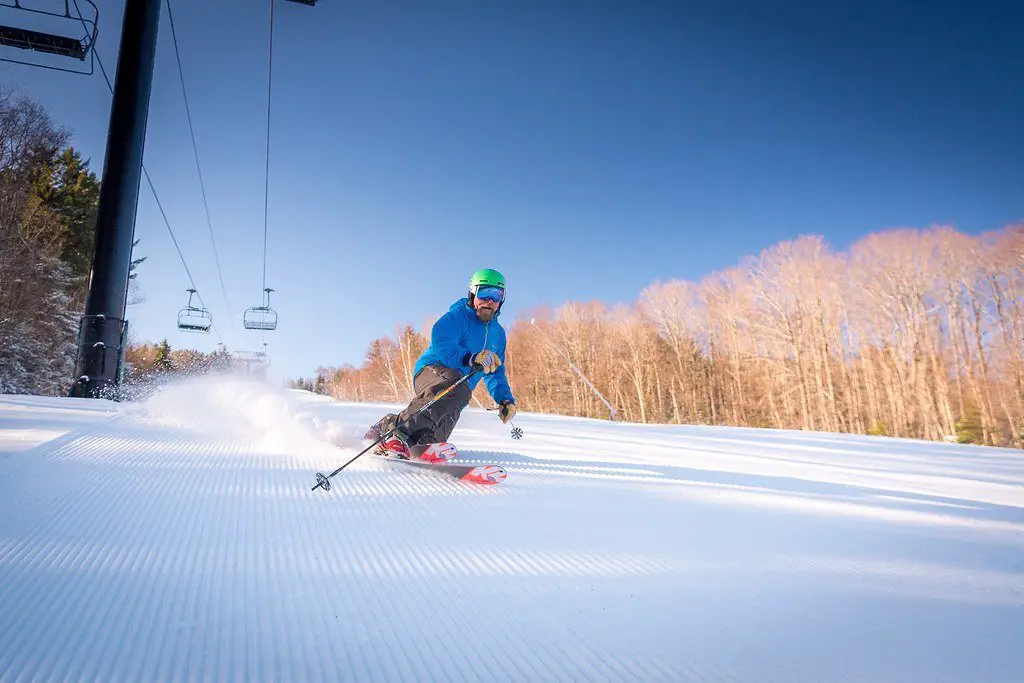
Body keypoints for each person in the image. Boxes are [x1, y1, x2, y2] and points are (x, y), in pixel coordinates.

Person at [364, 268, 518, 462]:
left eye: (496, 295)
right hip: (432, 371)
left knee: (436, 433)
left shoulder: (498, 335)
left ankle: (414, 444)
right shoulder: (457, 316)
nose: (489, 300)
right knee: (457, 388)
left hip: (458, 391)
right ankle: (393, 430)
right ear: (473, 293)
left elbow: (495, 371)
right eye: (484, 293)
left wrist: (505, 400)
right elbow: (442, 342)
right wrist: (470, 358)